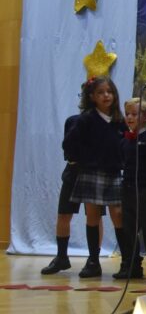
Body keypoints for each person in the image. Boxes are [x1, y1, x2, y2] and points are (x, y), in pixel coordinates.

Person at [63, 77, 127, 279]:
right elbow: (69, 145)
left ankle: (127, 261)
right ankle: (93, 261)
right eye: (100, 92)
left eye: (109, 92)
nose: (106, 96)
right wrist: (86, 160)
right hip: (92, 172)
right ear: (92, 97)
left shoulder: (119, 120)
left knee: (118, 214)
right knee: (92, 215)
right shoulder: (86, 119)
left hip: (114, 172)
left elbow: (125, 145)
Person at [40, 113, 96, 275]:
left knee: (94, 216)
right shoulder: (73, 120)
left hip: (93, 171)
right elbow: (67, 145)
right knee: (63, 214)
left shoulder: (105, 122)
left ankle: (94, 259)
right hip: (72, 170)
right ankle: (61, 257)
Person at [118, 98, 146, 280]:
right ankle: (132, 264)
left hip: (145, 189)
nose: (129, 117)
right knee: (128, 228)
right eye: (127, 114)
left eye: (134, 114)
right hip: (127, 188)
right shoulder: (125, 140)